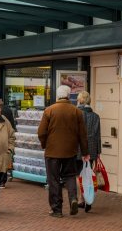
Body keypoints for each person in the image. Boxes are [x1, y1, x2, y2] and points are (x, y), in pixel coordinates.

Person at [37, 85, 89, 217]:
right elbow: (82, 135)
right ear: (68, 96)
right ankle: (73, 198)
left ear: (57, 96)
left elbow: (41, 132)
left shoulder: (49, 110)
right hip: (70, 151)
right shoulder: (76, 111)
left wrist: (45, 144)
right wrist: (85, 152)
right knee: (70, 176)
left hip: (52, 152)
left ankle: (57, 209)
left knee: (53, 179)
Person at [76, 91, 101, 213]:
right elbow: (98, 136)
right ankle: (88, 199)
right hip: (91, 149)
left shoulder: (76, 114)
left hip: (78, 149)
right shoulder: (96, 116)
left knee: (78, 174)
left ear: (80, 101)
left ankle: (82, 198)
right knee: (89, 174)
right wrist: (98, 153)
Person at [0, 89, 15, 188]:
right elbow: (12, 126)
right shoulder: (8, 110)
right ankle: (2, 180)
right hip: (5, 140)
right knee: (4, 159)